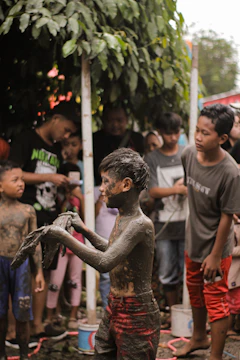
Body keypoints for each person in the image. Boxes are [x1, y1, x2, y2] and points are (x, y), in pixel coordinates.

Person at [36, 148, 160, 359]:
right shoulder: (123, 217)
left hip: (137, 313)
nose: (101, 189)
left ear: (126, 185)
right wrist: (83, 230)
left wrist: (63, 236)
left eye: (105, 182)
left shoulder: (140, 224)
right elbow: (112, 249)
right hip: (114, 306)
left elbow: (105, 262)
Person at [175, 103, 240, 360]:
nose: (198, 137)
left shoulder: (231, 172)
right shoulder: (188, 154)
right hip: (193, 241)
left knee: (216, 299)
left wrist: (214, 255)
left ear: (223, 138)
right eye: (197, 131)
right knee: (194, 291)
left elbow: (227, 217)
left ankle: (215, 356)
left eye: (206, 133)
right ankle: (198, 337)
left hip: (217, 247)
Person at [9, 102, 77, 338]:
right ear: (55, 118)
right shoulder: (26, 139)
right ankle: (16, 330)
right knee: (23, 271)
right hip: (27, 216)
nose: (66, 136)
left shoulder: (57, 151)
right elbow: (14, 174)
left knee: (45, 272)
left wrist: (66, 188)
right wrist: (49, 176)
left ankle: (37, 326)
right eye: (66, 129)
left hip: (50, 217)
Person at [144, 112, 187, 328]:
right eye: (169, 133)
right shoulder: (152, 159)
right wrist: (176, 189)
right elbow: (152, 191)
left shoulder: (188, 153)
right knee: (167, 272)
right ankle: (173, 312)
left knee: (189, 271)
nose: (173, 137)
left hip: (188, 224)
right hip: (164, 224)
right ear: (160, 133)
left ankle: (189, 312)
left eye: (176, 133)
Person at [0, 160, 44, 360]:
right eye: (15, 180)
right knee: (0, 312)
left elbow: (34, 242)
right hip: (0, 263)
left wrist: (39, 272)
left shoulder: (28, 210)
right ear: (1, 185)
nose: (21, 184)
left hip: (22, 266)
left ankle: (24, 354)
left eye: (22, 180)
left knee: (23, 312)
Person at [46, 162, 84, 330]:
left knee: (75, 281)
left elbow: (86, 219)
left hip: (77, 243)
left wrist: (80, 197)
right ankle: (49, 315)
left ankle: (73, 315)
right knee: (55, 281)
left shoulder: (82, 196)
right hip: (60, 243)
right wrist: (67, 196)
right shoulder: (57, 196)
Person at [93, 106, 144, 185]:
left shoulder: (137, 138)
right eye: (110, 121)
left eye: (119, 120)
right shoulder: (94, 140)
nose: (115, 125)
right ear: (103, 120)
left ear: (126, 119)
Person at [94, 186, 118, 309]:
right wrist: (99, 200)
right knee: (105, 276)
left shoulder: (122, 191)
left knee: (121, 275)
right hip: (102, 238)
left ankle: (119, 312)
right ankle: (106, 310)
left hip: (120, 238)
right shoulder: (95, 191)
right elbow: (90, 215)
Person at [226, 222, 240, 339]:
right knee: (233, 303)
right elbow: (229, 249)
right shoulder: (232, 227)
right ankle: (228, 329)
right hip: (234, 274)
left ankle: (236, 327)